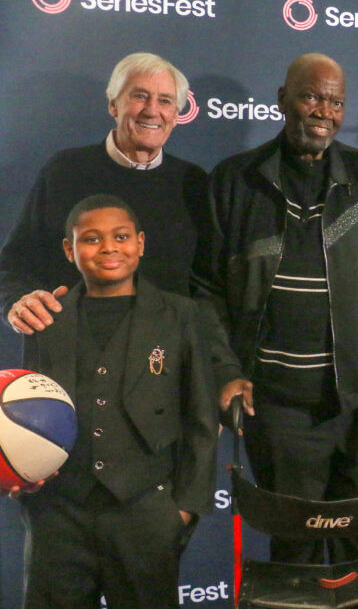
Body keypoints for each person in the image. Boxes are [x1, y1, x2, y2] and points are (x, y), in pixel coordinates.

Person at [191, 52, 358, 565]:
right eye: (310, 96)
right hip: (274, 404)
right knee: (295, 553)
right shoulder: (236, 180)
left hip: (354, 402)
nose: (323, 110)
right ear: (283, 100)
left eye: (335, 101)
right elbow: (207, 290)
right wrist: (226, 371)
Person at [18, 194, 218, 608]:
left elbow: (201, 416)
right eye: (91, 239)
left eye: (121, 236)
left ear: (140, 243)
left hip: (145, 509)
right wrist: (26, 479)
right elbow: (30, 410)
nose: (109, 247)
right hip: (60, 512)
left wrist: (182, 510)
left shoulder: (180, 315)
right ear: (69, 250)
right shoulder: (47, 319)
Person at [0, 52, 205, 336]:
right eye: (140, 96)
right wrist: (17, 300)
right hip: (73, 346)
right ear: (113, 105)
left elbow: (209, 284)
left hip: (164, 354)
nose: (152, 110)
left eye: (165, 101)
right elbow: (16, 263)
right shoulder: (64, 171)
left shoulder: (194, 183)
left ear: (176, 115)